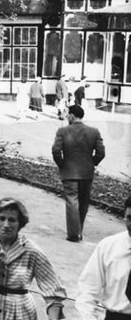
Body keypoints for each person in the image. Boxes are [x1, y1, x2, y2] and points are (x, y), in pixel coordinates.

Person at [51, 104, 105, 242]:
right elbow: (101, 153)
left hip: (69, 172)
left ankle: (74, 234)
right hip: (87, 172)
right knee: (83, 202)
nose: (67, 116)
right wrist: (92, 163)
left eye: (68, 114)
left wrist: (62, 164)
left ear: (73, 115)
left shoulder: (62, 131)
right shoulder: (94, 131)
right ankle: (79, 230)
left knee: (72, 201)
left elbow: (56, 151)